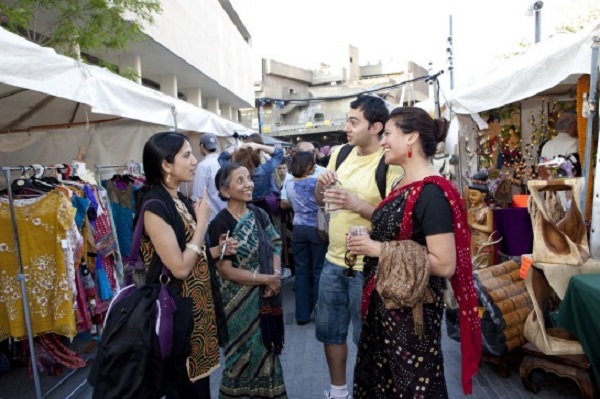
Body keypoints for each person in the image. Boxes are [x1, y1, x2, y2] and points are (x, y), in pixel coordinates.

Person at [348, 107, 482, 398]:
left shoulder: (431, 192)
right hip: (387, 306)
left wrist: (378, 248)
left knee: (412, 387)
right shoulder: (401, 183)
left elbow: (445, 264)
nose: (382, 141)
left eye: (388, 134)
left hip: (411, 317)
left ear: (411, 138)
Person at [313, 95, 402, 399]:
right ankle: (338, 391)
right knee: (330, 331)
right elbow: (319, 199)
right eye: (347, 120)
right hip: (333, 262)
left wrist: (355, 203)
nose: (346, 127)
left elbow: (395, 218)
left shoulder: (389, 161)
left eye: (354, 122)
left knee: (368, 337)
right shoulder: (340, 153)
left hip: (369, 267)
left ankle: (370, 391)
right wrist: (321, 185)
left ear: (376, 126)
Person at [137, 132, 233, 398]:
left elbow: (193, 253)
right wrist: (203, 221)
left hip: (196, 316)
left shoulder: (177, 199)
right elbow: (179, 268)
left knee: (198, 387)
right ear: (166, 165)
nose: (194, 161)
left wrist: (218, 249)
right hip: (178, 316)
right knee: (185, 389)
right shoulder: (154, 206)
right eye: (187, 155)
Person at [208, 163, 287, 398]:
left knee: (266, 352)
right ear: (225, 191)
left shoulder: (259, 214)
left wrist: (275, 276)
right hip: (235, 305)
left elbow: (275, 243)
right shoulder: (220, 224)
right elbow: (226, 271)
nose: (249, 184)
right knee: (239, 358)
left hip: (264, 298)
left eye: (249, 179)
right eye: (240, 181)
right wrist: (267, 279)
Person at [281, 151, 328, 325]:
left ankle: (301, 315)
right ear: (307, 166)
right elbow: (323, 202)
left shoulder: (289, 184)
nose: (315, 167)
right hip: (316, 228)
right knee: (318, 271)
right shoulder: (316, 182)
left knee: (300, 273)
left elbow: (288, 205)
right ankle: (319, 313)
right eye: (312, 164)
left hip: (298, 229)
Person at [218, 141, 284, 217]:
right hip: (261, 207)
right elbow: (279, 153)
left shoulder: (233, 172)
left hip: (240, 206)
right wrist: (259, 146)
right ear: (255, 158)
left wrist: (237, 148)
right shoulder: (263, 171)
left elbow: (222, 158)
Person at [192, 132, 226, 221]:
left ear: (202, 146)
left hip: (211, 217)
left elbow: (198, 195)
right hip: (227, 213)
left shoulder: (203, 166)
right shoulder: (225, 162)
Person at [467, 171, 494, 268]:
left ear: (483, 195)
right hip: (472, 241)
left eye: (474, 194)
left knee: (483, 266)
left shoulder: (487, 210)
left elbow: (489, 229)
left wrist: (473, 224)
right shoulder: (471, 209)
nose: (470, 197)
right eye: (470, 194)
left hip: (483, 242)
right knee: (473, 265)